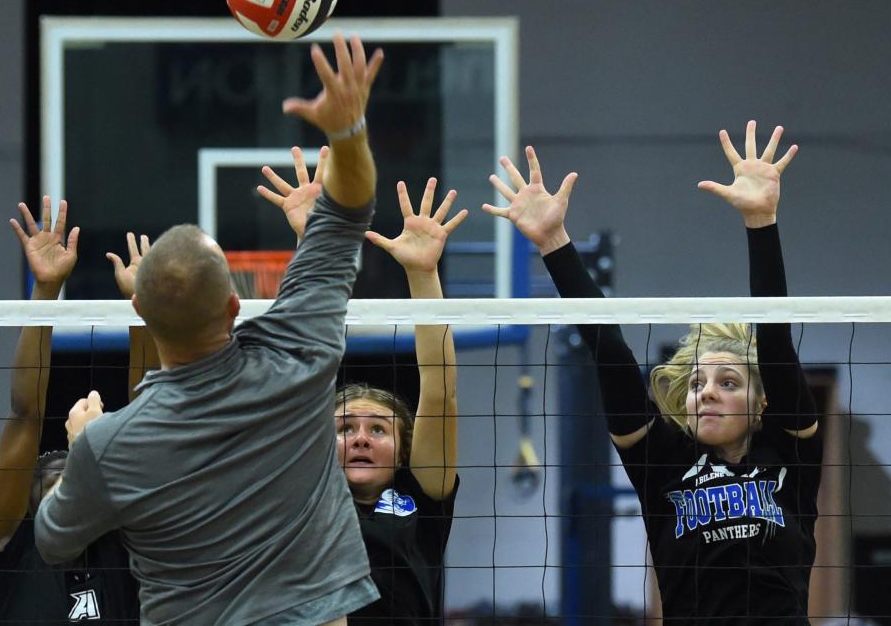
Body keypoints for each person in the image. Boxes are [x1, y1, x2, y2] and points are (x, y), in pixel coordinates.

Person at [33, 34, 386, 626]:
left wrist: (81, 449)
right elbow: (351, 208)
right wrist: (347, 130)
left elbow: (52, 542)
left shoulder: (110, 444)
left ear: (140, 314)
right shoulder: (299, 351)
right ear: (233, 305)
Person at [483, 122, 821, 624]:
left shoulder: (789, 452)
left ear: (763, 401)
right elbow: (610, 353)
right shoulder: (662, 462)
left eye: (727, 383)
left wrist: (761, 220)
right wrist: (554, 242)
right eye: (697, 384)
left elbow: (775, 344)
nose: (705, 394)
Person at [259, 153, 465, 624]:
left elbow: (439, 390)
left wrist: (422, 272)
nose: (361, 438)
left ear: (402, 448)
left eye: (378, 429)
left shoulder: (424, 496)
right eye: (345, 427)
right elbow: (300, 367)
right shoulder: (306, 491)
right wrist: (313, 242)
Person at [0, 196, 140, 625]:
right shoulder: (11, 550)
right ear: (28, 507)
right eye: (49, 475)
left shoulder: (125, 544)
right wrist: (44, 292)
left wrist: (142, 313)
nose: (59, 465)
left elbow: (146, 418)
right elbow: (25, 415)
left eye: (67, 468)